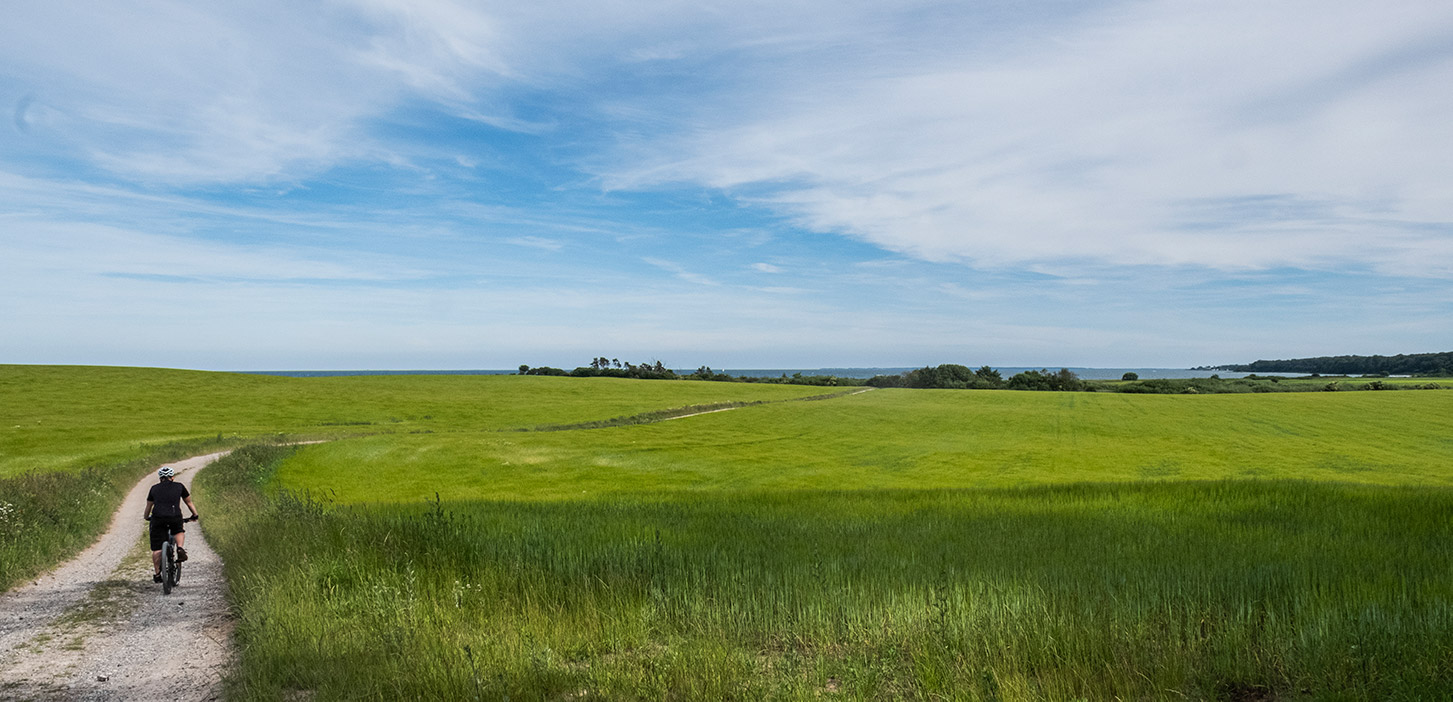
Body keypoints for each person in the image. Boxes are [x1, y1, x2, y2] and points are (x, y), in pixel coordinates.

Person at [144, 465, 199, 583]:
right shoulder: (179, 486)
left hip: (158, 518)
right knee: (178, 531)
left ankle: (158, 574)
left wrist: (146, 517)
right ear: (172, 477)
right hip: (175, 517)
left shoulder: (154, 488)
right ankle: (179, 548)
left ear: (160, 478)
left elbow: (149, 506)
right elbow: (189, 502)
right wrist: (195, 515)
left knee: (157, 548)